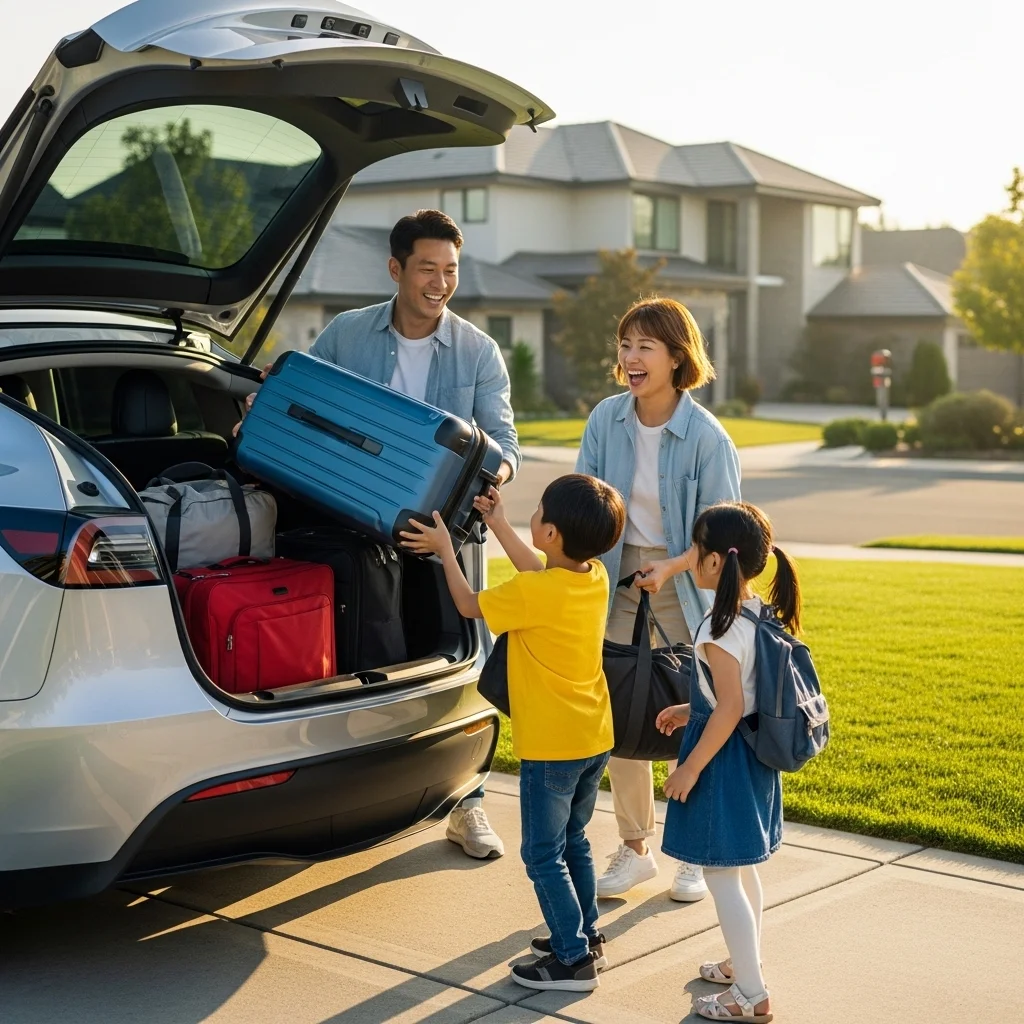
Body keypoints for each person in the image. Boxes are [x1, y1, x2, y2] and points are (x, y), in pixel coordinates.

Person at [235, 209, 518, 860]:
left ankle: (467, 804)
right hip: (357, 529)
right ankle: (366, 789)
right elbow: (306, 404)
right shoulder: (347, 334)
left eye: (450, 270)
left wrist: (493, 471)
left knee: (453, 660)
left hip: (443, 536)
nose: (440, 282)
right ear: (396, 269)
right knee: (374, 660)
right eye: (427, 268)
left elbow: (503, 440)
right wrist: (265, 406)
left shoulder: (478, 350)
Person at [400, 474, 626, 993]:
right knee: (575, 841)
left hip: (552, 749)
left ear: (550, 534)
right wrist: (497, 521)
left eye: (539, 512)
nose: (535, 516)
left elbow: (467, 605)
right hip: (593, 737)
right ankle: (585, 934)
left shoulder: (534, 591)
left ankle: (572, 961)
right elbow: (538, 570)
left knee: (542, 853)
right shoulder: (592, 579)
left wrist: (444, 552)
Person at [575, 296, 741, 903]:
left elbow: (725, 537)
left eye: (645, 346)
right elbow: (585, 503)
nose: (631, 357)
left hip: (687, 588)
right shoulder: (606, 419)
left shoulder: (705, 436)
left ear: (677, 358)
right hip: (616, 581)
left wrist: (671, 567)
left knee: (692, 714)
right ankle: (637, 847)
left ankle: (692, 850)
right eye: (625, 345)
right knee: (621, 713)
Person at [654, 501, 798, 1022]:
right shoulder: (757, 612)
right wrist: (691, 706)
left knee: (719, 874)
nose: (692, 558)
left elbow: (732, 705)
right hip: (751, 755)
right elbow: (739, 694)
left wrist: (689, 767)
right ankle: (746, 964)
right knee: (742, 868)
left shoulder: (718, 628)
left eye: (697, 548)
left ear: (716, 562)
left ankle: (752, 996)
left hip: (722, 762)